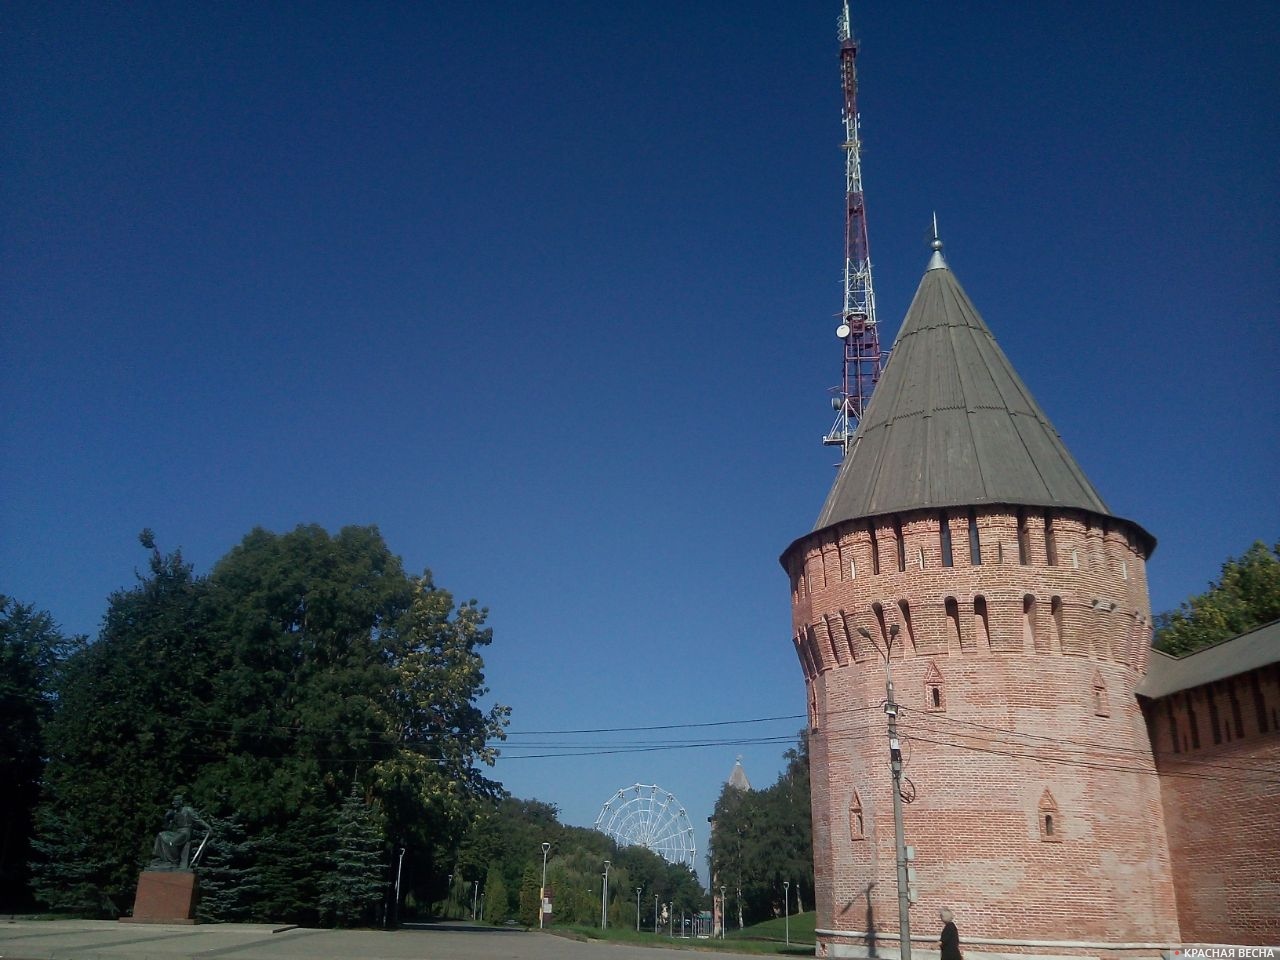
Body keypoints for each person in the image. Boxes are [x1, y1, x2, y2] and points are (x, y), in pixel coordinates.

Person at [150, 795, 211, 870]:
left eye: (175, 801)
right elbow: (168, 828)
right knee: (161, 835)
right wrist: (166, 818)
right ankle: (160, 858)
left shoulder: (188, 810)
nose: (173, 803)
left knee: (171, 842)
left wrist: (208, 827)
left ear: (180, 802)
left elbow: (197, 819)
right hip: (178, 832)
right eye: (173, 801)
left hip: (186, 833)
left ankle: (174, 862)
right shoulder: (175, 813)